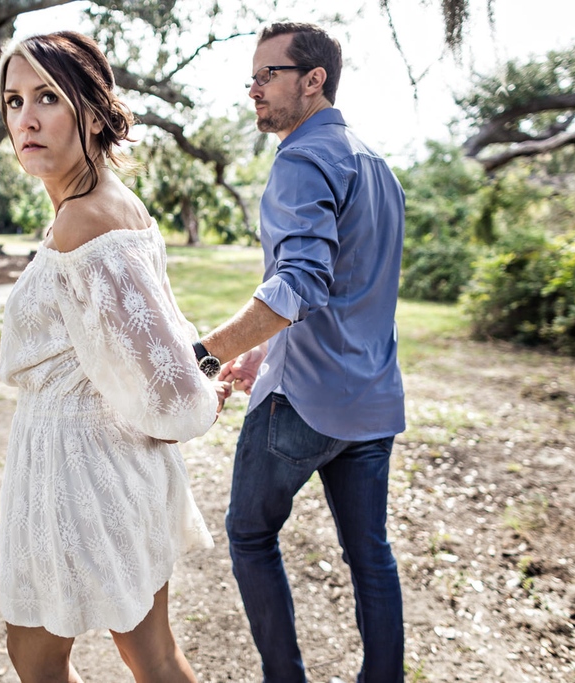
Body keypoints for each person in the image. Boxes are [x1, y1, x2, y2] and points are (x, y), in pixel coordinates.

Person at [0, 31, 231, 683]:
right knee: (145, 653)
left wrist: (195, 387)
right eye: (14, 101)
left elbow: (166, 385)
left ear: (93, 112)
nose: (26, 119)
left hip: (85, 469)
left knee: (43, 656)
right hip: (90, 460)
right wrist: (199, 371)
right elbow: (153, 333)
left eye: (47, 97)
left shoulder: (85, 219)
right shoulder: (113, 203)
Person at [193, 22, 407, 683]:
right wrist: (262, 353)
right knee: (370, 553)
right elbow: (345, 291)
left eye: (267, 75)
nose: (253, 90)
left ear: (314, 80)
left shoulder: (301, 159)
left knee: (250, 535)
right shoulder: (375, 165)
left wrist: (206, 352)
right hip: (372, 401)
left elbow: (301, 285)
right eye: (251, 77)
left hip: (303, 406)